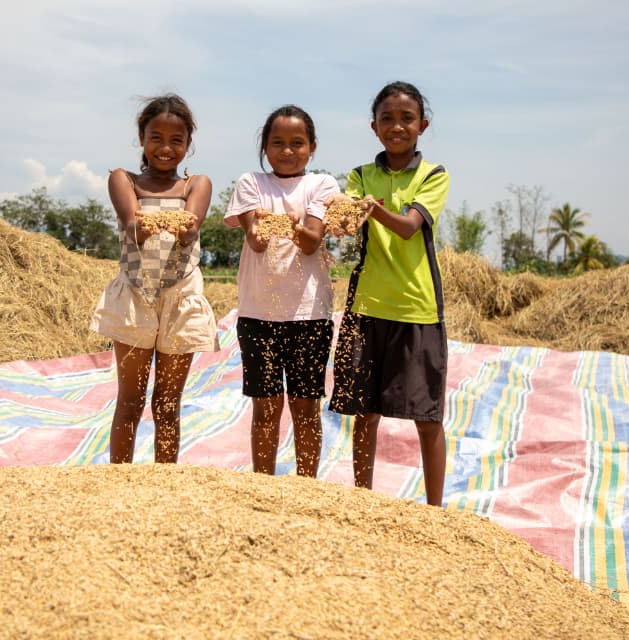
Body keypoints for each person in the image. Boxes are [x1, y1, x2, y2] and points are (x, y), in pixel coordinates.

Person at [328, 81, 450, 505]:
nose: (397, 126)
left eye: (406, 119)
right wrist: (341, 217)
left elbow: (409, 227)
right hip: (366, 306)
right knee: (365, 413)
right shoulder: (361, 175)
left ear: (422, 125)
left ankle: (436, 510)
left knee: (427, 417)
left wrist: (371, 208)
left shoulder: (433, 175)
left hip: (417, 308)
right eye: (387, 119)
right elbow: (347, 222)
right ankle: (364, 502)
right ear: (374, 127)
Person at [90, 94, 219, 464]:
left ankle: (165, 481)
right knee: (130, 400)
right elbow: (131, 224)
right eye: (156, 138)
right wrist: (148, 225)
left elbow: (191, 228)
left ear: (188, 144)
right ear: (142, 139)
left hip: (180, 296)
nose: (165, 148)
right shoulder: (124, 179)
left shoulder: (196, 184)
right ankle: (120, 478)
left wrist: (184, 228)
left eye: (176, 140)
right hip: (136, 294)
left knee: (167, 402)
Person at [224, 105, 340, 477]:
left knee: (306, 408)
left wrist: (291, 226)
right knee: (266, 408)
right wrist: (257, 229)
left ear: (312, 147)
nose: (287, 151)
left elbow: (310, 242)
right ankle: (265, 484)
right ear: (264, 146)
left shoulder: (322, 185)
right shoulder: (251, 183)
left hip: (309, 315)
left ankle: (306, 487)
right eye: (277, 143)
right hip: (258, 314)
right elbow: (255, 241)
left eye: (297, 143)